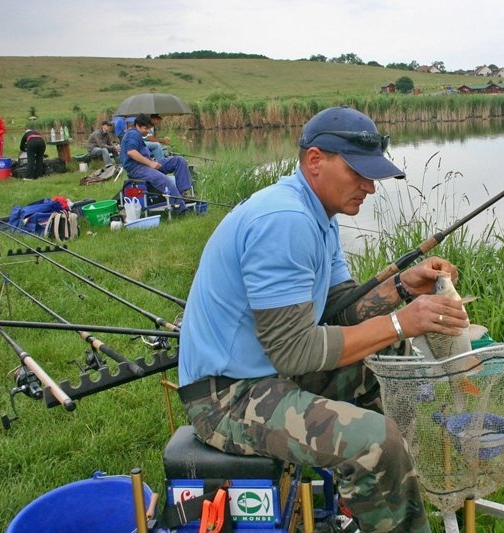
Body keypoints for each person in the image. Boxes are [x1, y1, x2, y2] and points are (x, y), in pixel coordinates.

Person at [178, 106, 469, 533]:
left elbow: (339, 308)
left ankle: (376, 492)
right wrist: (402, 321)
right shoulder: (286, 220)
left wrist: (403, 287)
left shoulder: (319, 215)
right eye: (359, 173)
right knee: (374, 441)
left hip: (268, 373)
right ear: (315, 160)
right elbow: (295, 352)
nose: (370, 187)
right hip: (226, 397)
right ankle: (380, 474)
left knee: (387, 355)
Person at [119, 113, 192, 213]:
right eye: (146, 128)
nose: (148, 131)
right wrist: (150, 163)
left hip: (147, 166)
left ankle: (181, 194)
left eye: (149, 128)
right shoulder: (133, 134)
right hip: (137, 169)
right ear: (137, 126)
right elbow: (131, 152)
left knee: (179, 161)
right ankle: (180, 209)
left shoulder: (138, 134)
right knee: (166, 181)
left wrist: (152, 162)